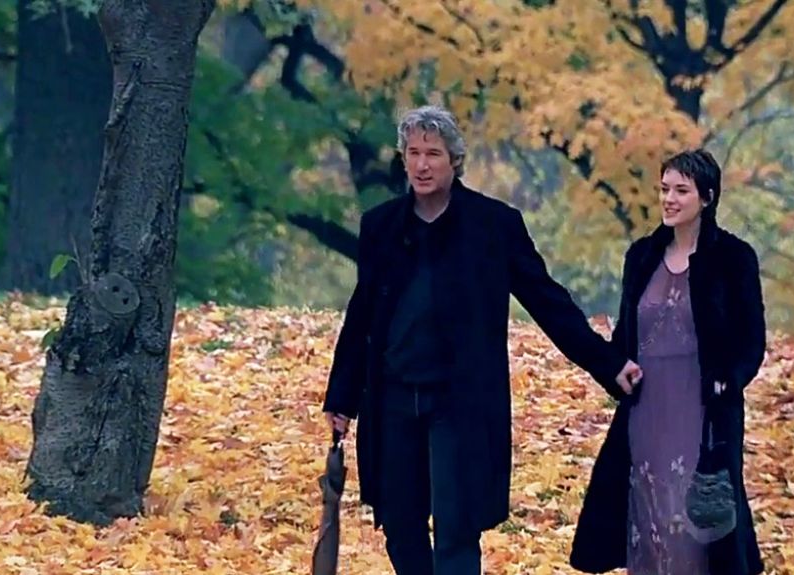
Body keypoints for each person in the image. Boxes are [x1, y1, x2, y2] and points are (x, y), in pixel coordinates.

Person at [321, 104, 642, 575]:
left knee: (456, 527)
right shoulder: (381, 226)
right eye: (413, 153)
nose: (422, 164)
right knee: (400, 526)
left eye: (433, 153)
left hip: (460, 401)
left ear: (455, 161)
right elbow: (362, 316)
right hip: (392, 397)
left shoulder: (493, 225)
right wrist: (341, 397)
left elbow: (547, 301)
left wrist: (608, 362)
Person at [570, 149, 767, 575]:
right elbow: (626, 335)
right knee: (649, 518)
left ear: (707, 197)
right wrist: (615, 367)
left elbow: (751, 340)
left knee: (694, 527)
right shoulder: (641, 256)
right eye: (664, 189)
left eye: (681, 190)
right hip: (646, 409)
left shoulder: (733, 258)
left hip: (703, 410)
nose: (669, 199)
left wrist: (730, 379)